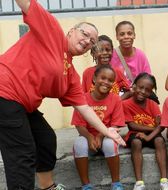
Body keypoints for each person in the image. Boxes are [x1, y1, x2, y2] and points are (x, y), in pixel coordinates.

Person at [0, 0, 125, 190]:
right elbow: (26, 3)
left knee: (45, 139)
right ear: (71, 31)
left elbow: (83, 107)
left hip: (23, 105)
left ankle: (47, 186)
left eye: (92, 42)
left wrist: (107, 131)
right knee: (22, 152)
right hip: (4, 92)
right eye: (84, 34)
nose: (87, 41)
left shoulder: (71, 75)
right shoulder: (51, 30)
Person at [72, 65, 125, 190]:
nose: (106, 82)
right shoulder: (83, 99)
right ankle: (86, 186)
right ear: (94, 78)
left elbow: (115, 125)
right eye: (103, 78)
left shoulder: (116, 99)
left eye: (110, 80)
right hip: (88, 138)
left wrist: (101, 135)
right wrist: (90, 137)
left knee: (109, 144)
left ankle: (116, 183)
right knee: (79, 144)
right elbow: (79, 125)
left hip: (107, 136)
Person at [122, 73, 168, 190]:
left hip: (152, 134)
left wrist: (149, 135)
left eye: (147, 90)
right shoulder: (126, 104)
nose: (143, 91)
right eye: (140, 87)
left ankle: (164, 181)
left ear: (151, 92)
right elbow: (132, 125)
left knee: (160, 140)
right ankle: (139, 182)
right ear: (134, 86)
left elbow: (161, 125)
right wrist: (153, 128)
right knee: (136, 143)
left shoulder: (153, 104)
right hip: (135, 133)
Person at [81, 35, 131, 99]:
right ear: (93, 53)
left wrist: (117, 101)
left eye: (108, 50)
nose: (105, 53)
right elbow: (83, 96)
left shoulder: (117, 72)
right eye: (100, 50)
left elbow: (128, 92)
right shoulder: (87, 73)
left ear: (112, 51)